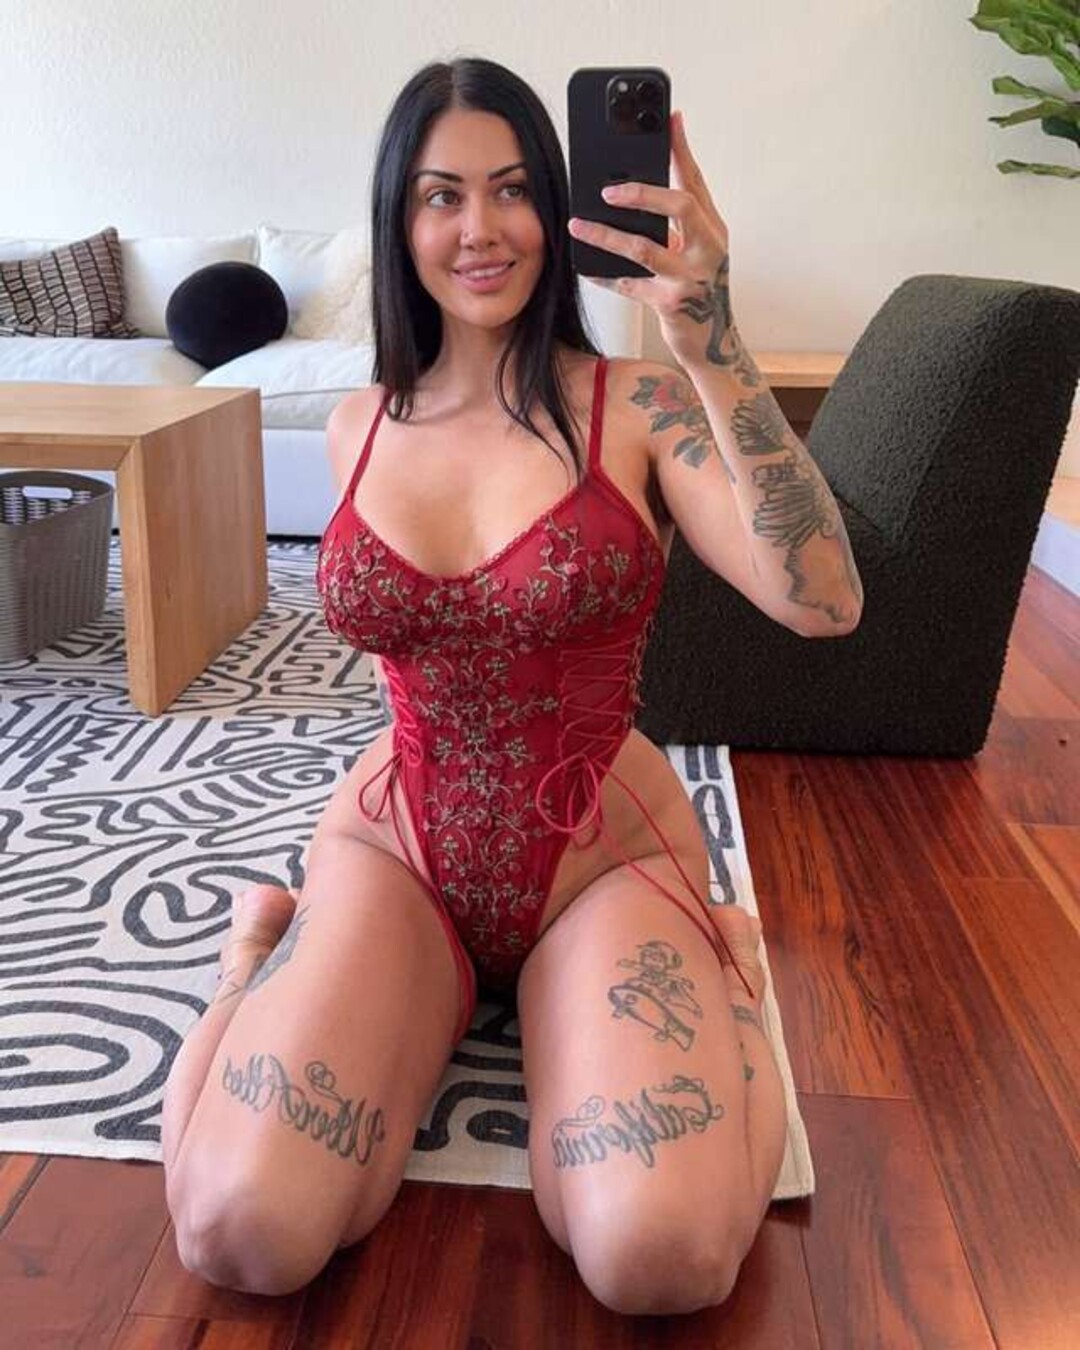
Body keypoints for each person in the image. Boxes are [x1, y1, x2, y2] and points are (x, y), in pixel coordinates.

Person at [161, 56, 862, 1314]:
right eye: (441, 195)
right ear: (400, 222)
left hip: (604, 858)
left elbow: (824, 602)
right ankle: (249, 957)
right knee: (236, 1231)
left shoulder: (641, 404)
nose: (479, 228)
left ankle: (732, 967)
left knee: (660, 1259)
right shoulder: (355, 423)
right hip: (396, 847)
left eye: (512, 190)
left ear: (557, 203)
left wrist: (712, 340)